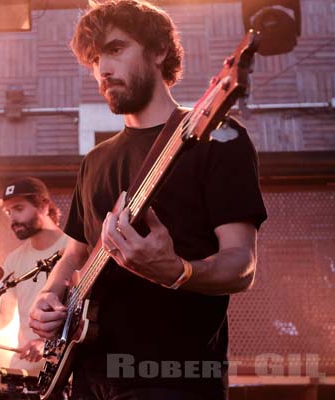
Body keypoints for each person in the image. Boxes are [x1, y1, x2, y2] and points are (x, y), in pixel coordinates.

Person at [28, 1, 267, 400]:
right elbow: (74, 256)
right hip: (87, 374)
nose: (102, 69)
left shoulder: (220, 140)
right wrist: (50, 296)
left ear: (159, 52)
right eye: (94, 59)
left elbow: (242, 265)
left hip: (174, 377)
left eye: (116, 49)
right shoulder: (95, 161)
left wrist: (177, 271)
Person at [0, 177, 68, 374]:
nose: (12, 219)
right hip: (22, 372)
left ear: (43, 206)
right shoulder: (13, 260)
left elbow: (84, 318)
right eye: (8, 212)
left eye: (18, 209)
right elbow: (4, 319)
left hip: (62, 370)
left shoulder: (73, 250)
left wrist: (46, 344)